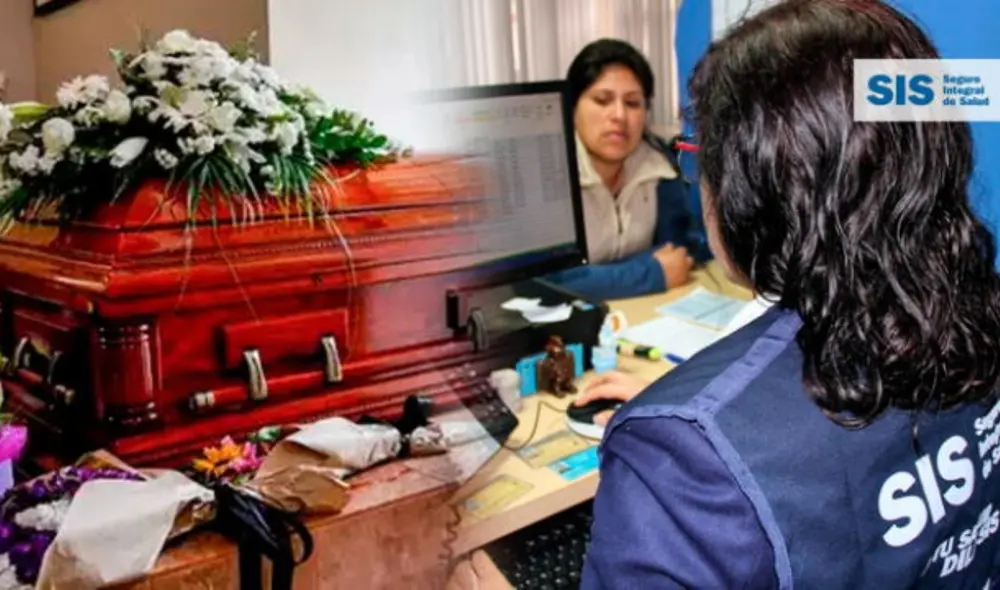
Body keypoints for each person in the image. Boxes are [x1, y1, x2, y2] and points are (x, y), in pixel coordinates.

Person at [581, 1, 1000, 588]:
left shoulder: (676, 464)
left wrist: (691, 425)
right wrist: (708, 405)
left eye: (701, 154)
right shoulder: (976, 312)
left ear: (757, 180)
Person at [545, 39, 710, 302]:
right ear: (572, 107)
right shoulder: (548, 177)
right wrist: (648, 274)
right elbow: (544, 282)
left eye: (633, 103)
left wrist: (593, 278)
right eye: (602, 100)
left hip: (641, 320)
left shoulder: (660, 165)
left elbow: (679, 251)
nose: (619, 115)